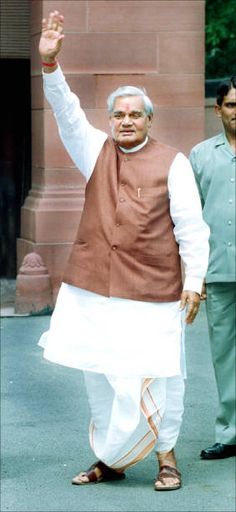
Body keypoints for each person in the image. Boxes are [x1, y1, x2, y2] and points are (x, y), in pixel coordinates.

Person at [38, 10, 209, 490]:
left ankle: (166, 459)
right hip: (95, 288)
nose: (126, 121)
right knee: (102, 374)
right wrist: (51, 66)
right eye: (119, 114)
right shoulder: (93, 149)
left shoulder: (173, 163)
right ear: (110, 120)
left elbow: (192, 229)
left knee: (160, 376)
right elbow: (67, 112)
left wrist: (194, 282)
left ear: (149, 120)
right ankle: (110, 458)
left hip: (154, 291)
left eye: (136, 114)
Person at [189, 77, 236, 460]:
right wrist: (194, 273)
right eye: (232, 104)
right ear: (217, 109)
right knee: (225, 356)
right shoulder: (200, 156)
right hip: (219, 272)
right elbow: (189, 218)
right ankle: (231, 432)